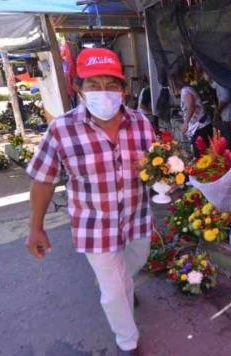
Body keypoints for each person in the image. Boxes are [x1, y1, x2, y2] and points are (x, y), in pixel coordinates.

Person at [25, 48, 156, 356]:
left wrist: (166, 175)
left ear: (124, 89)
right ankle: (129, 343)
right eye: (93, 85)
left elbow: (159, 164)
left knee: (133, 267)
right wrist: (36, 228)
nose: (103, 92)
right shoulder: (61, 129)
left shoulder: (141, 123)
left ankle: (125, 287)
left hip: (137, 218)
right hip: (95, 227)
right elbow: (43, 179)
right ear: (78, 88)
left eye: (111, 85)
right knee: (112, 291)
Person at [171, 72, 212, 156]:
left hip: (200, 126)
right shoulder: (186, 90)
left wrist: (185, 123)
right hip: (199, 126)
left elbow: (191, 107)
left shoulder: (185, 91)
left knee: (201, 154)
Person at [210, 80, 231, 149]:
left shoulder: (218, 79)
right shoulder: (216, 82)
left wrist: (217, 111)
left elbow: (225, 96)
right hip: (230, 115)